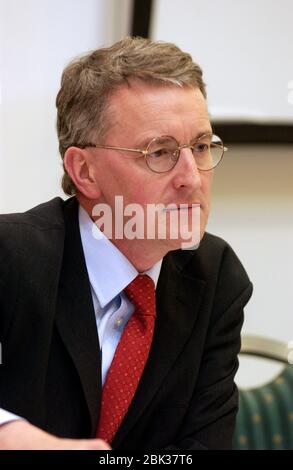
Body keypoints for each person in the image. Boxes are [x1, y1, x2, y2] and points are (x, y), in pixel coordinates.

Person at [0, 37, 252, 450]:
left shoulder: (215, 274)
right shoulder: (11, 256)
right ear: (85, 171)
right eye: (159, 152)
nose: (191, 177)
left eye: (202, 146)